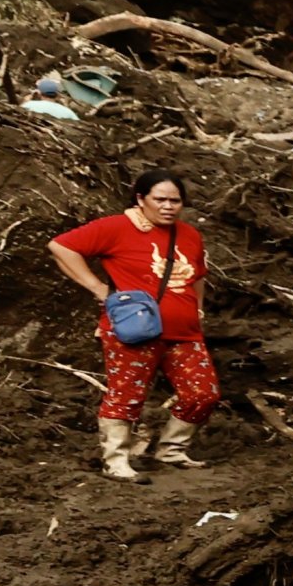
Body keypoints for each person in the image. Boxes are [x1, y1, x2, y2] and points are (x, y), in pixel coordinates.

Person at [48, 167, 219, 482]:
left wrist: (199, 312)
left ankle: (171, 450)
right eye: (160, 200)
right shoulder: (117, 227)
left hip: (184, 331)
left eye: (175, 201)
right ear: (141, 199)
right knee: (126, 393)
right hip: (134, 328)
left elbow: (198, 277)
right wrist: (99, 290)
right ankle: (115, 461)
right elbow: (61, 246)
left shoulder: (189, 234)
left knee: (203, 393)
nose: (168, 206)